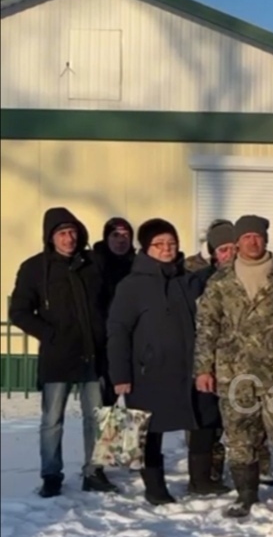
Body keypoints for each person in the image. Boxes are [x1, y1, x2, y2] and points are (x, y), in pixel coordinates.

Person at [194, 214, 273, 517]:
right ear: (236, 242)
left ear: (265, 239)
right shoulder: (221, 281)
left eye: (258, 236)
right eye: (246, 237)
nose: (253, 241)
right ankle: (246, 495)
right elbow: (207, 326)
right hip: (233, 373)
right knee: (239, 436)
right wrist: (203, 368)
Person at [107, 218, 230, 505]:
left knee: (203, 420)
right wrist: (120, 374)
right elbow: (118, 331)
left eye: (171, 243)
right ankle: (155, 487)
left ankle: (200, 480)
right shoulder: (131, 285)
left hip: (190, 369)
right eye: (159, 244)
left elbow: (208, 290)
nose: (166, 249)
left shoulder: (185, 280)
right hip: (149, 372)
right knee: (150, 430)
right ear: (146, 248)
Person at [8, 207, 118, 497]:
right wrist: (50, 334)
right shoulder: (34, 268)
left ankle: (94, 471)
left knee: (97, 417)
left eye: (72, 232)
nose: (68, 239)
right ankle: (51, 475)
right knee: (51, 421)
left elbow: (110, 303)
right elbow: (19, 311)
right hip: (58, 357)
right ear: (51, 237)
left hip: (94, 355)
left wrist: (107, 333)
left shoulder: (93, 264)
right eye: (61, 233)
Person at [187, 219, 267, 485]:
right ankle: (207, 474)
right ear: (212, 254)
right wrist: (202, 366)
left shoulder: (253, 276)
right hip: (212, 363)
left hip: (247, 365)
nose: (229, 254)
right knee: (209, 423)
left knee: (248, 423)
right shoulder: (198, 281)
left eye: (233, 247)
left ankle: (252, 472)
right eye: (222, 249)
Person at [91, 216, 135, 408]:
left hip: (132, 344)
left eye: (125, 235)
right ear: (106, 237)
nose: (120, 240)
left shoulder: (137, 265)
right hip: (100, 344)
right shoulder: (93, 264)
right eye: (115, 235)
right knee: (104, 407)